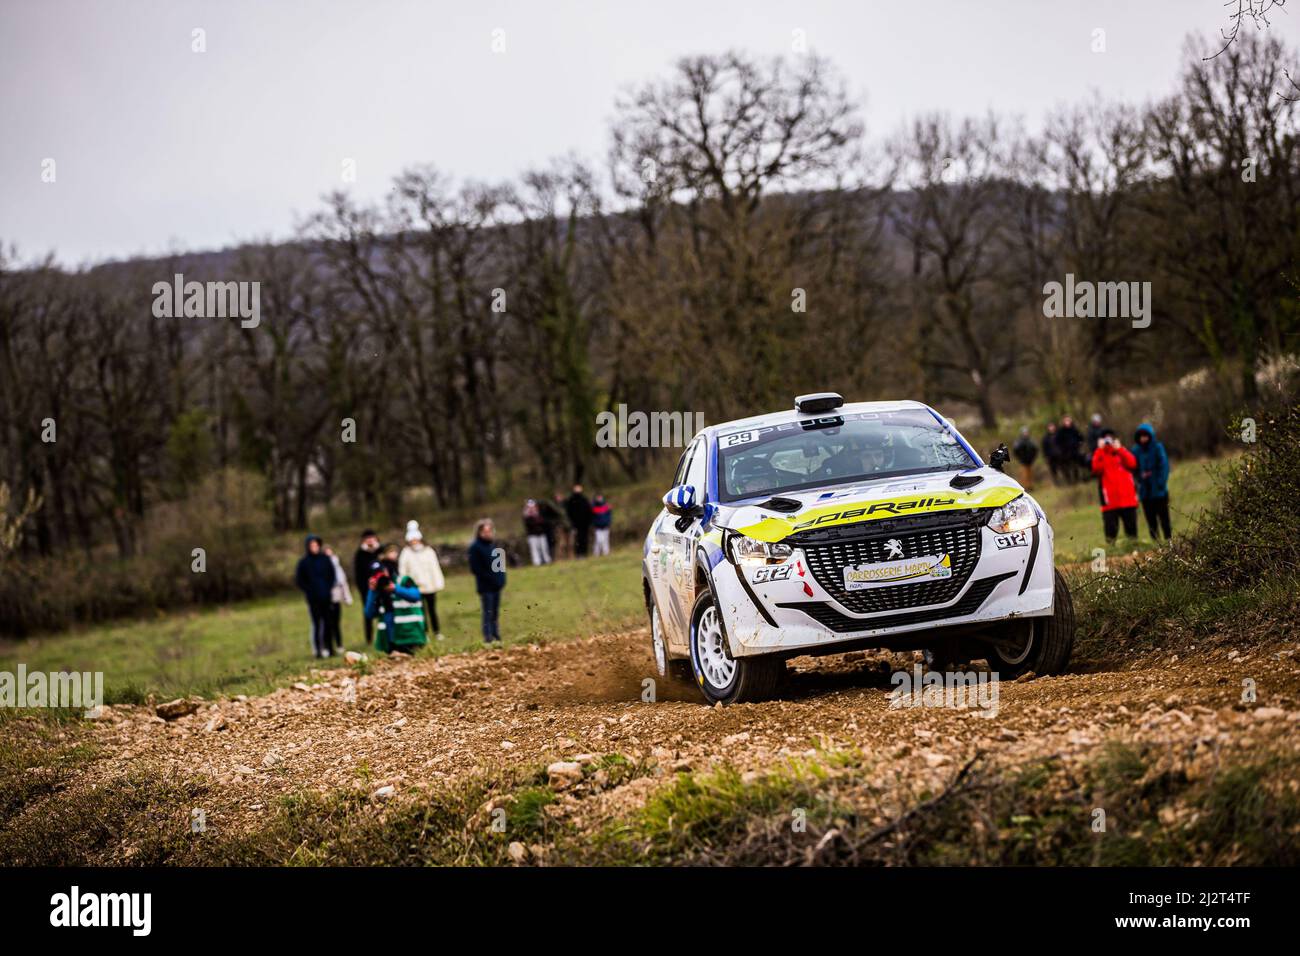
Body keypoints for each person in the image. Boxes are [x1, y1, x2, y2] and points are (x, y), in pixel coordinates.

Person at [398, 520, 445, 640]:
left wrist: (437, 583)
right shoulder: (406, 553)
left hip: (430, 586)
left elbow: (435, 568)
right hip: (416, 588)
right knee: (420, 612)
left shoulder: (428, 551)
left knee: (432, 610)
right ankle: (424, 632)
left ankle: (436, 631)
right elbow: (403, 571)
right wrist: (405, 584)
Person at [364, 564, 427, 655]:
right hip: (389, 641)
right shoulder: (377, 590)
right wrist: (372, 591)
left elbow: (416, 596)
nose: (381, 576)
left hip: (410, 636)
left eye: (382, 572)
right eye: (376, 575)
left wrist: (395, 588)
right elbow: (369, 614)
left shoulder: (403, 581)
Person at [1091, 429, 1139, 542]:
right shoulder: (1100, 454)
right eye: (1105, 438)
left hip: (1128, 498)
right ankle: (1112, 553)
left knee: (1132, 532)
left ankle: (1134, 549)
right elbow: (1095, 469)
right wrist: (1099, 450)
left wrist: (1120, 449)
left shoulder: (1121, 452)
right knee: (1110, 534)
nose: (1108, 441)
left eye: (1110, 438)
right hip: (1110, 501)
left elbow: (1132, 463)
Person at [295, 535, 337, 658]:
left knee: (328, 623)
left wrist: (328, 588)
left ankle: (330, 648)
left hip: (326, 597)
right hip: (313, 599)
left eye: (316, 545)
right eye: (312, 545)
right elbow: (300, 580)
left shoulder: (325, 559)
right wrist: (309, 590)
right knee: (317, 624)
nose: (314, 547)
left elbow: (332, 575)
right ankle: (318, 650)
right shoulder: (303, 563)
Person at [467, 518, 506, 644]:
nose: (488, 533)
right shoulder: (475, 548)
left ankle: (496, 635)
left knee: (495, 612)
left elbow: (500, 565)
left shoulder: (494, 545)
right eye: (485, 531)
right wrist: (490, 579)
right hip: (486, 586)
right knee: (488, 612)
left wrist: (501, 579)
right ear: (479, 532)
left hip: (496, 586)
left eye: (490, 531)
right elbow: (476, 569)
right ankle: (488, 637)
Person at [1131, 423, 1172, 540]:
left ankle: (1169, 541)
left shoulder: (1158, 447)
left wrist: (1160, 482)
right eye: (1141, 436)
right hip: (1145, 492)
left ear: (1150, 436)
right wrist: (1139, 480)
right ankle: (1156, 543)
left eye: (1145, 435)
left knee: (1164, 518)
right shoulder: (1136, 451)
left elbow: (1164, 466)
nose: (1143, 438)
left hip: (1159, 491)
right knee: (1150, 520)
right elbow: (1133, 468)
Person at [352, 529, 380, 645]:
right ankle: (369, 639)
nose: (370, 540)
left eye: (372, 538)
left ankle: (383, 635)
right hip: (367, 590)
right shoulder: (360, 554)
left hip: (381, 587)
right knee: (368, 613)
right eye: (367, 538)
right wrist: (363, 589)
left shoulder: (381, 551)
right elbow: (358, 574)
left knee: (383, 611)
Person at [324, 544, 352, 652]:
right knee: (328, 624)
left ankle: (339, 645)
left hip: (337, 596)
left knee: (336, 623)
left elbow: (343, 582)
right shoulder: (323, 567)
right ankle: (328, 647)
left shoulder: (337, 566)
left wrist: (347, 597)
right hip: (326, 598)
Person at [565, 484, 592, 558]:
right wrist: (572, 523)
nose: (578, 490)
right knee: (577, 540)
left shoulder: (584, 499)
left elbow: (589, 511)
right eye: (576, 488)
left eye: (579, 488)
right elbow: (569, 513)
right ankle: (578, 554)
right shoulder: (571, 500)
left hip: (585, 524)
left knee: (584, 539)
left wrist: (589, 522)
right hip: (575, 524)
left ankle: (584, 553)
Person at [523, 499, 551, 565]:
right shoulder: (526, 515)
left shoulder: (539, 513)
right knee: (534, 550)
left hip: (541, 533)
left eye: (532, 506)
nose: (531, 508)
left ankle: (547, 560)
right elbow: (529, 524)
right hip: (532, 535)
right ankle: (536, 562)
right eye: (529, 506)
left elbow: (544, 522)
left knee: (544, 548)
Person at [1056, 416, 1084, 483]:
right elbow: (1057, 441)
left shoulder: (1074, 429)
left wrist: (1078, 445)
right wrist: (1062, 449)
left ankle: (1076, 480)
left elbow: (1081, 438)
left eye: (1068, 421)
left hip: (1075, 451)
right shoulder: (1061, 431)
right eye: (1066, 421)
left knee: (1076, 466)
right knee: (1067, 467)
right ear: (1064, 422)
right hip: (1065, 453)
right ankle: (1069, 481)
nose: (1067, 422)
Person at [548, 493, 571, 560]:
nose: (559, 498)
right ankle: (559, 558)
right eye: (557, 497)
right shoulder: (553, 507)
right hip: (559, 527)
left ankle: (570, 557)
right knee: (561, 544)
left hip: (568, 526)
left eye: (560, 496)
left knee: (570, 543)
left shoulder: (566, 505)